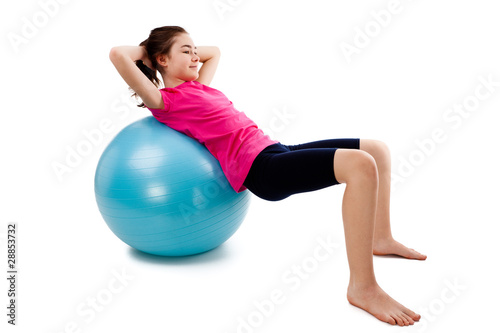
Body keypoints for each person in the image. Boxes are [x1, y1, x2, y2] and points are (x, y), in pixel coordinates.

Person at [109, 25, 427, 326]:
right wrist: (150, 52)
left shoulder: (200, 87)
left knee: (377, 150)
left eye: (194, 51)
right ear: (162, 60)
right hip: (261, 170)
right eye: (186, 51)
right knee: (359, 165)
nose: (196, 56)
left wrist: (178, 51)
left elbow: (215, 51)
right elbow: (117, 55)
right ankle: (363, 287)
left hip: (275, 148)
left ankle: (380, 238)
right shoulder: (164, 101)